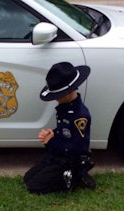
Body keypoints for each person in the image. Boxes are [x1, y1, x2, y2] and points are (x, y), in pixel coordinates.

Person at [23, 62, 96, 194]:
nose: (55, 99)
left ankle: (75, 177)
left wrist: (51, 142)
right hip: (58, 154)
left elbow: (75, 148)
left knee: (34, 187)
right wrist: (53, 133)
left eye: (57, 96)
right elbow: (65, 132)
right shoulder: (66, 107)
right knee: (27, 179)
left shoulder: (79, 116)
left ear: (67, 92)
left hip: (70, 160)